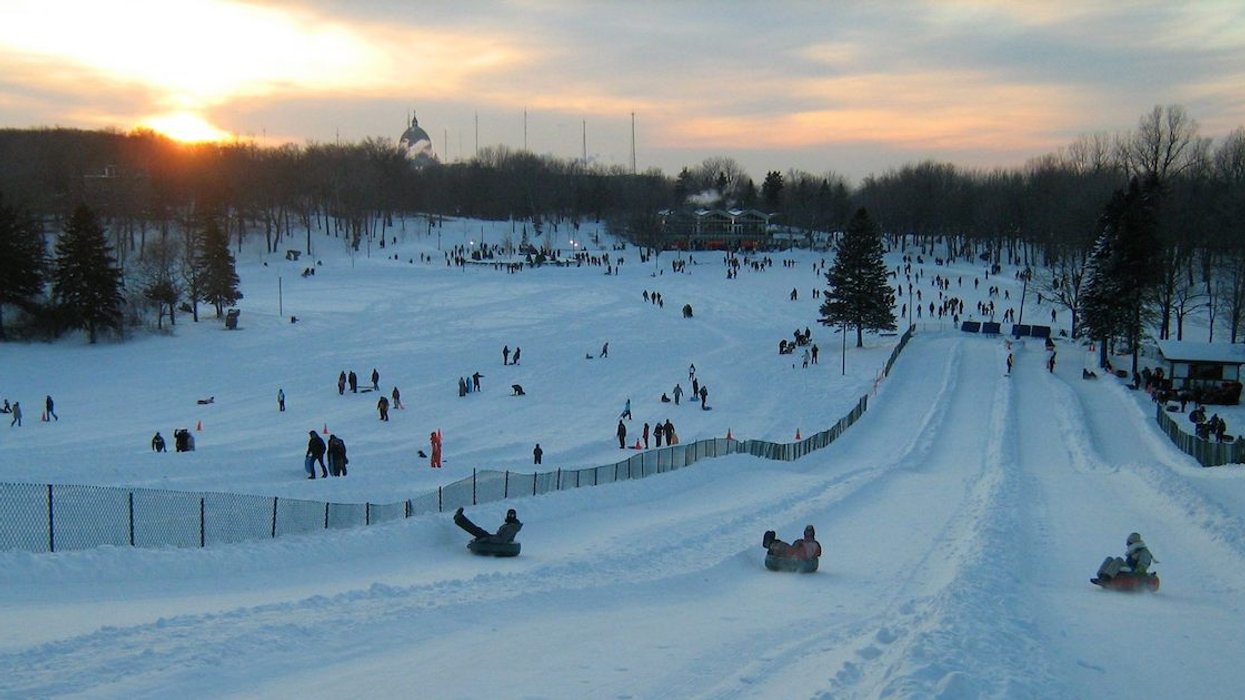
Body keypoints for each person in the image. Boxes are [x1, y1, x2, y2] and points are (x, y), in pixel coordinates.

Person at [454, 507, 522, 543]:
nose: (510, 516)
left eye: (512, 515)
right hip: (495, 538)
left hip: (496, 540)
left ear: (515, 516)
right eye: (509, 514)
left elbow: (502, 540)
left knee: (476, 531)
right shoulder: (510, 524)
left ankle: (459, 519)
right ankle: (460, 518)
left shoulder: (512, 527)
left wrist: (486, 539)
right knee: (478, 530)